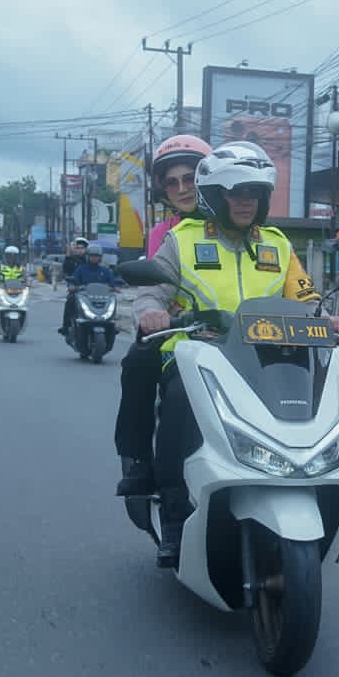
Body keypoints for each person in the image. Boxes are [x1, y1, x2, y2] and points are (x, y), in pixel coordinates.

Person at [132, 140, 339, 567]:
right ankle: (174, 516)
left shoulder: (277, 244)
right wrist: (151, 313)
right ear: (215, 196)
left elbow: (307, 297)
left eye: (254, 192)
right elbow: (151, 292)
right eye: (235, 192)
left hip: (269, 357)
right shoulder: (183, 240)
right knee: (177, 405)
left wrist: (330, 319)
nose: (246, 200)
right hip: (199, 356)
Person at [114, 135, 213, 497]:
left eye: (190, 178)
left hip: (244, 335)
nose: (183, 189)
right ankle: (141, 460)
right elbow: (157, 286)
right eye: (172, 182)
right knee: (138, 361)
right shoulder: (165, 234)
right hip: (185, 333)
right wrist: (155, 312)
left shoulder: (253, 231)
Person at [59, 238, 90, 332]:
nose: (80, 250)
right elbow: (66, 270)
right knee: (70, 300)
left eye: (82, 248)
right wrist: (68, 256)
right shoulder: (71, 260)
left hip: (90, 289)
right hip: (76, 289)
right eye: (77, 248)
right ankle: (66, 326)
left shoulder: (90, 260)